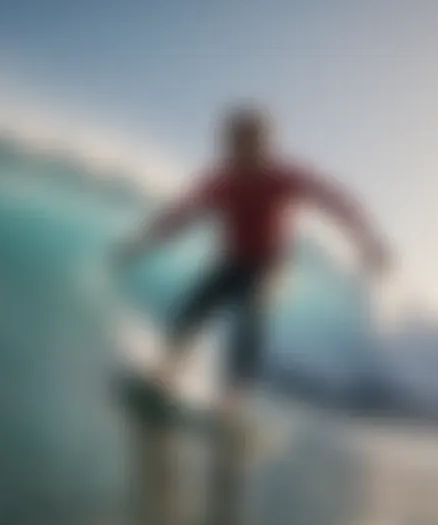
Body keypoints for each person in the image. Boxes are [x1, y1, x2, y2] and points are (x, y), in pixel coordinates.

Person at [115, 105, 390, 425]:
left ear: (263, 144)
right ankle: (164, 373)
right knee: (194, 307)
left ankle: (234, 402)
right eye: (233, 142)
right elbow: (179, 216)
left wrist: (368, 241)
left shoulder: (284, 177)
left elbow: (336, 202)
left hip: (270, 267)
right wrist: (139, 245)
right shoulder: (220, 181)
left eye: (249, 142)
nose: (240, 150)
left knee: (250, 317)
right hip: (232, 261)